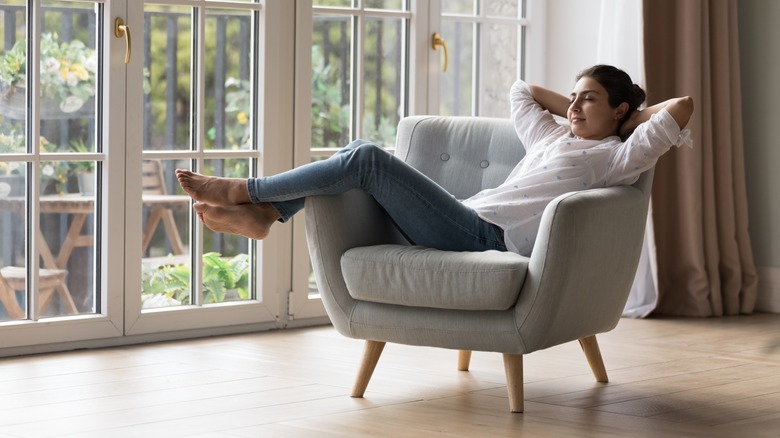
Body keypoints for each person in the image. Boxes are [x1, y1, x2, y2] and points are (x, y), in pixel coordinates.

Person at [176, 64, 694, 256]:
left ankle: (248, 194)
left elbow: (683, 108)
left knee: (368, 159)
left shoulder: (617, 157)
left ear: (622, 111)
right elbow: (523, 90)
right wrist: (580, 107)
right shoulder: (550, 138)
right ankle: (266, 213)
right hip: (464, 215)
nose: (576, 106)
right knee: (359, 153)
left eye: (590, 100)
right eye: (575, 97)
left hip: (486, 237)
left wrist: (628, 120)